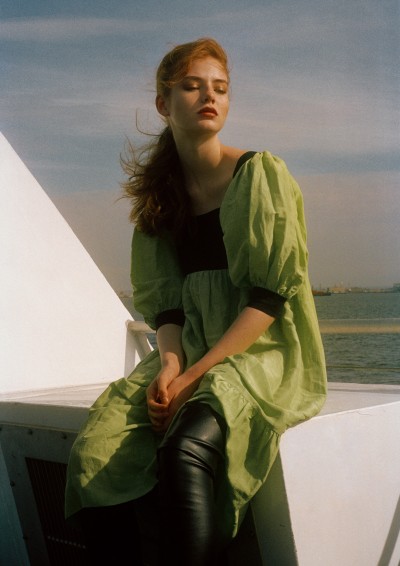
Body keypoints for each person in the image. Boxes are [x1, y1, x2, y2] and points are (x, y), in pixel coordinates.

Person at [65, 37, 327, 566]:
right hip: (190, 348)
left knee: (187, 449)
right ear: (163, 104)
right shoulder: (160, 198)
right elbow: (167, 307)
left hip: (260, 351)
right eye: (192, 86)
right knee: (96, 451)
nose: (210, 96)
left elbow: (270, 297)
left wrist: (195, 375)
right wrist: (169, 365)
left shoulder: (258, 174)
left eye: (220, 88)